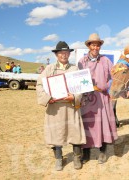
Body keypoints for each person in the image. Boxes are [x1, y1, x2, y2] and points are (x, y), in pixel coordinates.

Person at [36, 41, 86, 171]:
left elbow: (81, 88)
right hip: (55, 108)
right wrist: (47, 98)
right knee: (56, 134)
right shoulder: (49, 69)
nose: (64, 55)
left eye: (66, 53)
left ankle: (76, 157)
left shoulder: (75, 69)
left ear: (69, 54)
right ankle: (59, 159)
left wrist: (74, 97)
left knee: (75, 133)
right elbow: (40, 85)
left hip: (71, 106)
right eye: (61, 53)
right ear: (56, 54)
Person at [78, 33, 118, 164]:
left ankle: (102, 152)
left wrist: (106, 86)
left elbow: (114, 78)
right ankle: (86, 152)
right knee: (87, 124)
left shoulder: (106, 61)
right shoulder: (82, 61)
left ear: (100, 46)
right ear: (89, 46)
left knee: (103, 124)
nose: (95, 47)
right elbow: (77, 79)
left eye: (97, 45)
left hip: (102, 97)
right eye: (93, 44)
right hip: (87, 99)